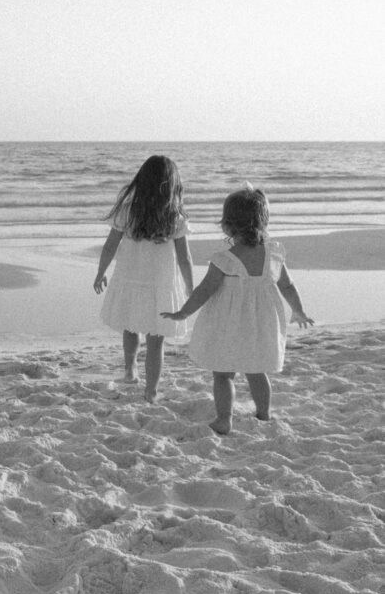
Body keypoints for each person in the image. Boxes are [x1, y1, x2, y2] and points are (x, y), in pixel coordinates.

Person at [161, 186, 314, 434]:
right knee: (256, 371)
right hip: (261, 324)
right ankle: (264, 414)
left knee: (223, 373)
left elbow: (204, 290)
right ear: (263, 221)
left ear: (228, 225)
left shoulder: (225, 258)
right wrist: (298, 310)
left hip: (229, 324)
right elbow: (287, 285)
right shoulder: (274, 253)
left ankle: (224, 418)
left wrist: (183, 313)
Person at [93, 155, 194, 401]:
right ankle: (151, 390)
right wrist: (191, 289)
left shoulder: (127, 212)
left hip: (130, 279)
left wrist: (101, 272)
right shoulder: (175, 218)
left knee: (129, 327)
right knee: (156, 341)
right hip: (161, 284)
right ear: (172, 185)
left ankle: (130, 371)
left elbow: (109, 247)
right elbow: (185, 258)